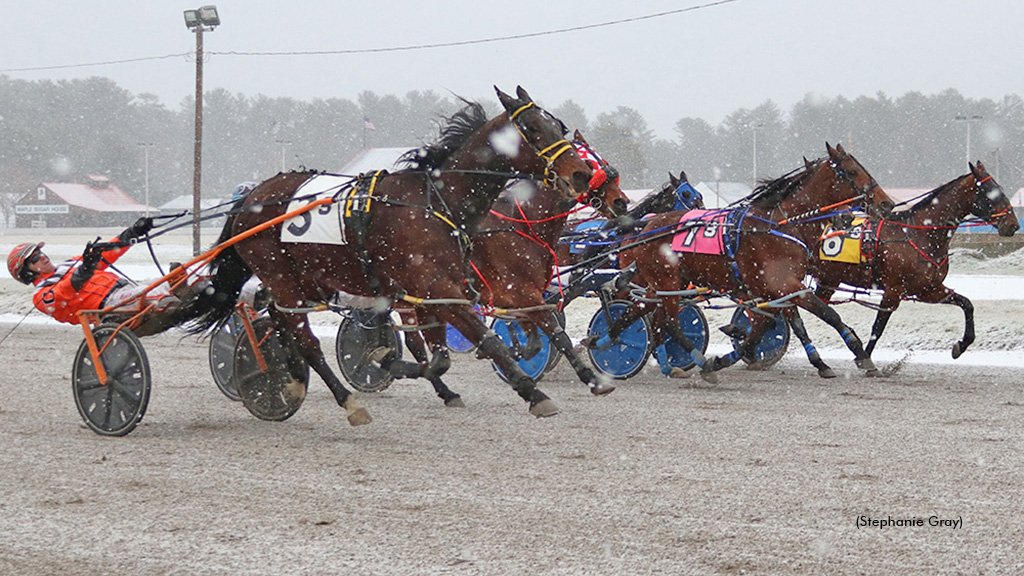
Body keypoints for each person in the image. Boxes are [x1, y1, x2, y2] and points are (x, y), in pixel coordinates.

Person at [7, 218, 194, 334]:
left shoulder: (70, 263)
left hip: (126, 290)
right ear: (27, 271)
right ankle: (180, 290)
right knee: (153, 291)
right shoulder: (41, 296)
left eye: (41, 252)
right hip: (111, 307)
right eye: (35, 259)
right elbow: (65, 291)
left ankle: (195, 284)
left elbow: (108, 253)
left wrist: (133, 232)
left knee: (176, 277)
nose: (43, 257)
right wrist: (85, 269)